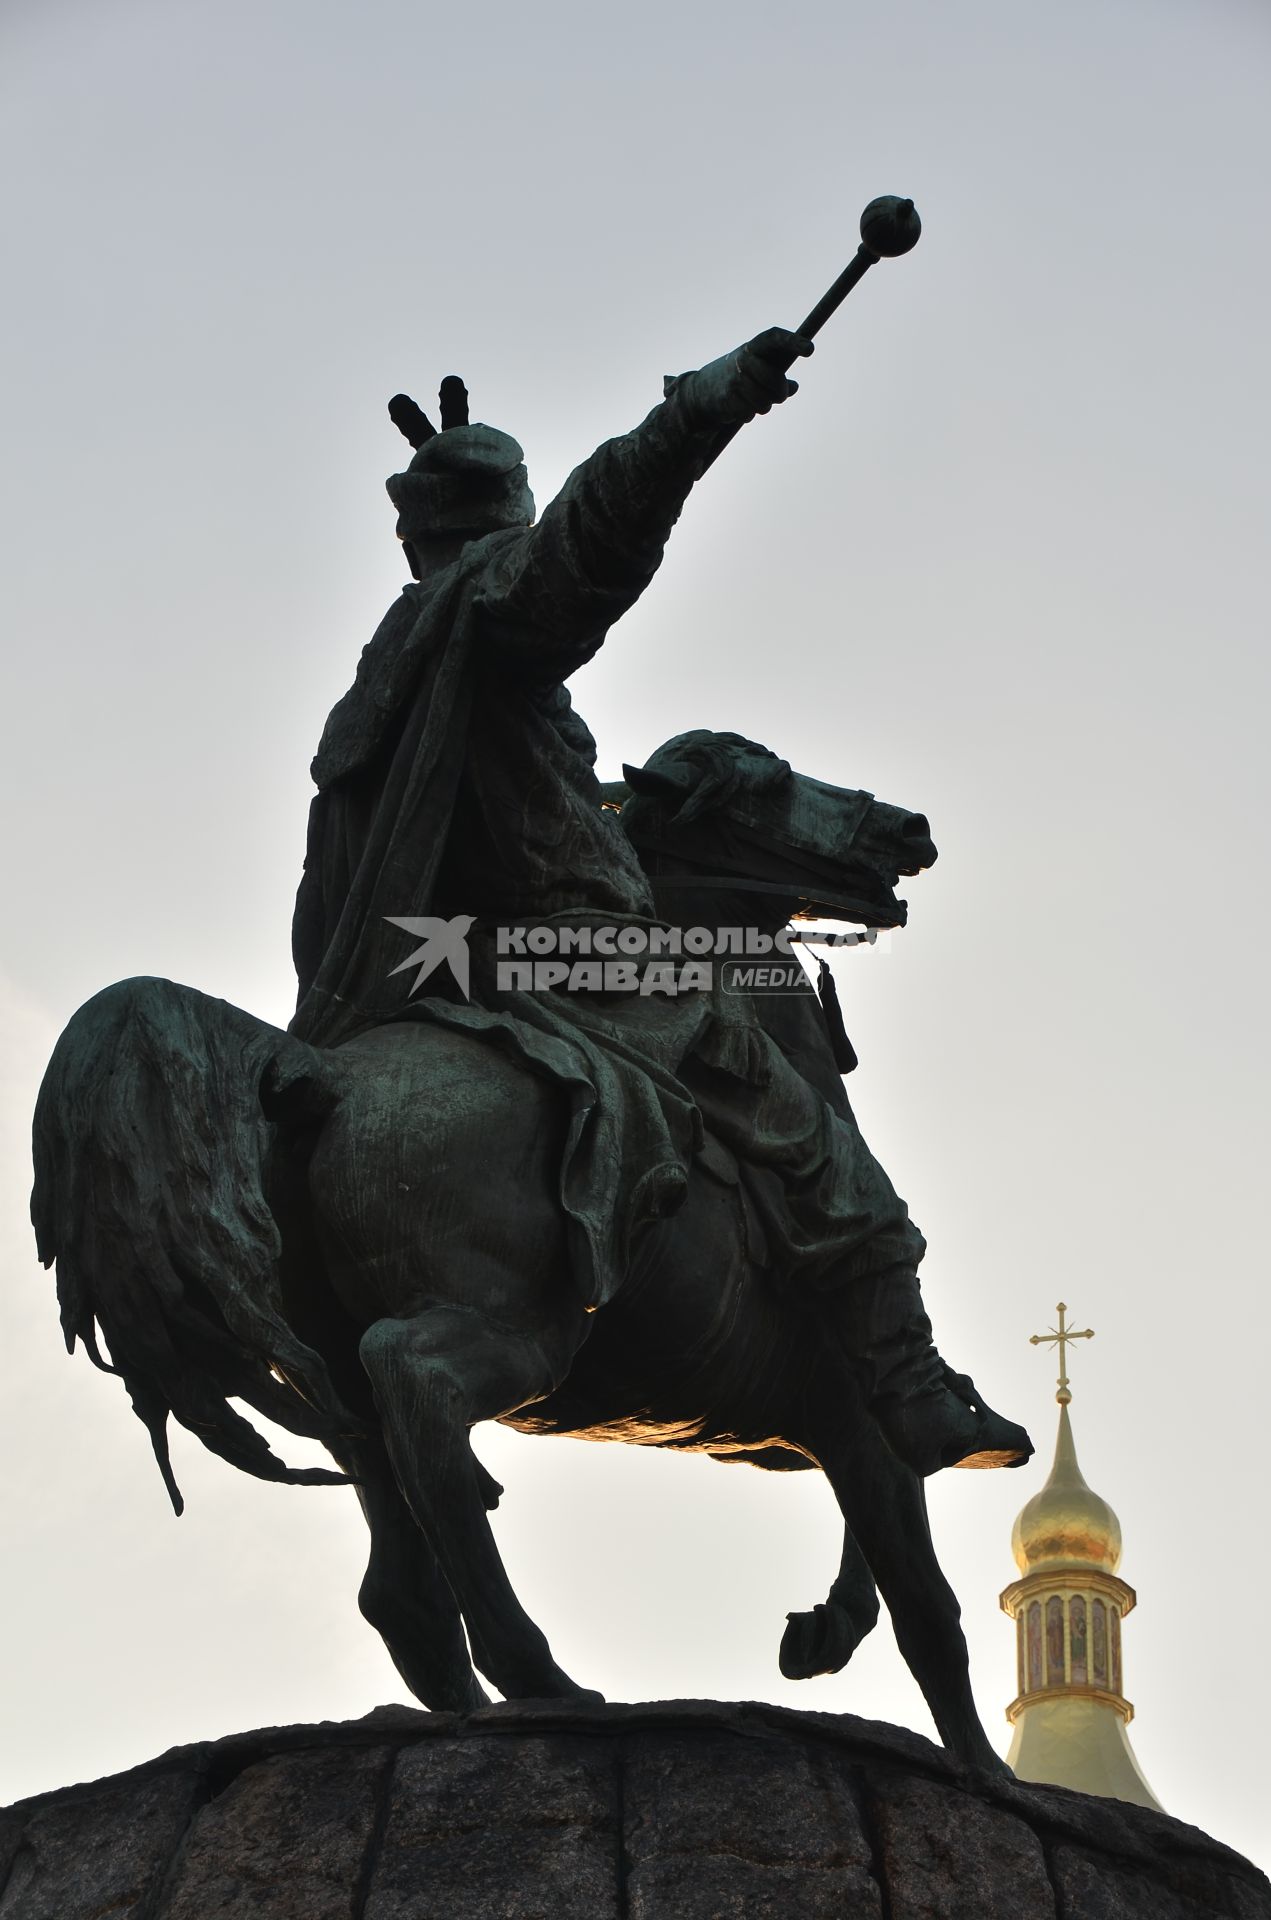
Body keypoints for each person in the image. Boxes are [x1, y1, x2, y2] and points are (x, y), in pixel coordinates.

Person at [290, 334, 1030, 1477]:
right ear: (500, 522)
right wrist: (699, 412)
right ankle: (905, 1376)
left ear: (410, 532)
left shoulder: (393, 659)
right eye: (518, 510)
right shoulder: (490, 606)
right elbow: (591, 541)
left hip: (422, 958)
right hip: (546, 947)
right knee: (780, 1088)